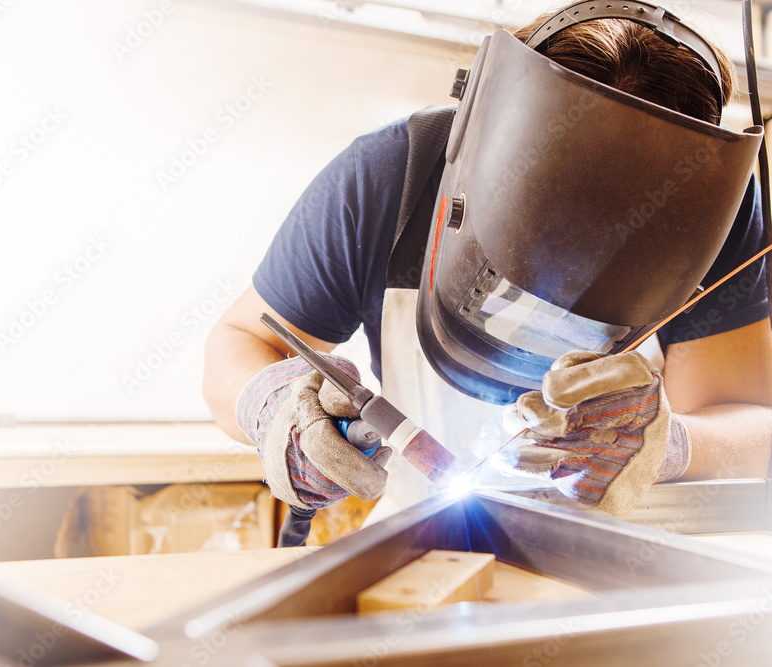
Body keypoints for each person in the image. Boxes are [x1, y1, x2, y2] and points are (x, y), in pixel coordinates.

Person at [203, 1, 772, 526]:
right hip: (425, 547)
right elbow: (237, 343)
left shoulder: (713, 208)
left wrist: (668, 443)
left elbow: (748, 421)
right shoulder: (393, 176)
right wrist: (276, 409)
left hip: (620, 553)